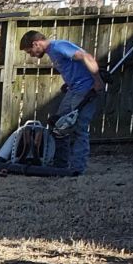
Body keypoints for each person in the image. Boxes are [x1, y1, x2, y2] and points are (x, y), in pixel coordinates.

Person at [19, 30, 103, 175]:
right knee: (59, 126)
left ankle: (78, 169)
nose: (31, 55)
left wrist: (97, 80)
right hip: (73, 90)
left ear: (36, 43)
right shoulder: (52, 51)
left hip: (85, 90)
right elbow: (73, 67)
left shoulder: (58, 46)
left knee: (78, 128)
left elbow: (86, 56)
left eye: (30, 51)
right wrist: (69, 83)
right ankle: (61, 164)